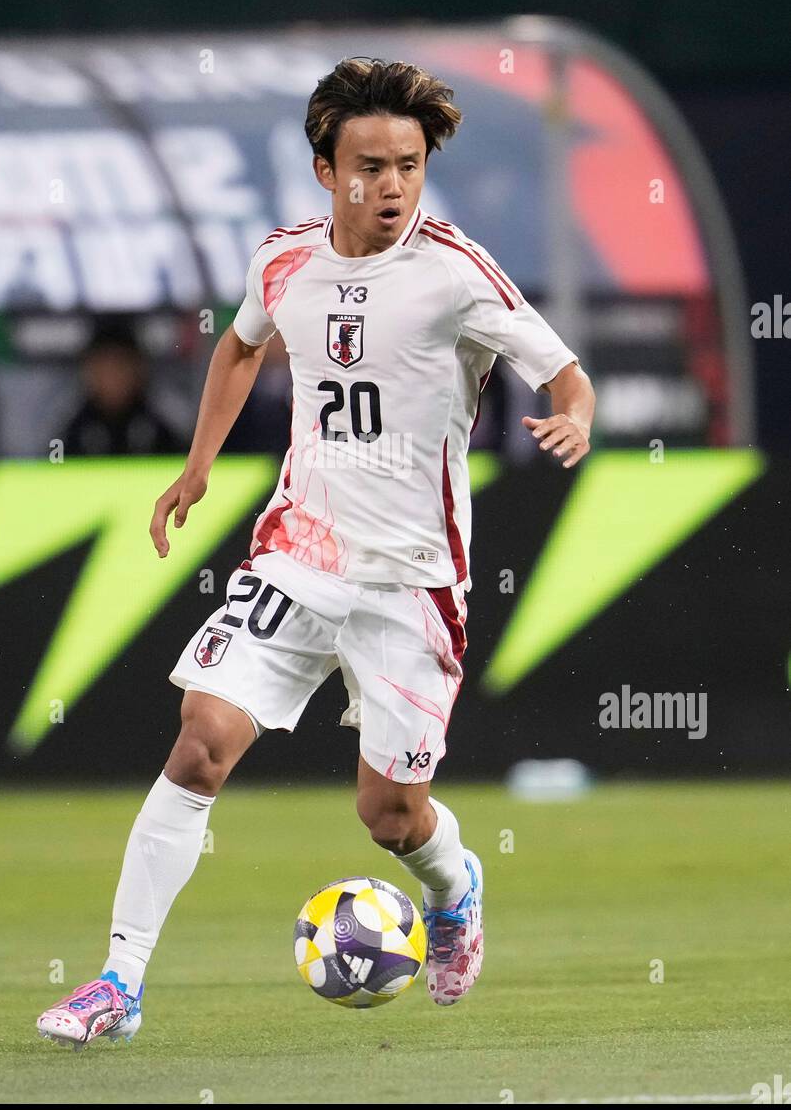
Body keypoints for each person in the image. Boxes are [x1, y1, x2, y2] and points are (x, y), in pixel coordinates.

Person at [37, 57, 594, 1047]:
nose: (390, 187)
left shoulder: (453, 273)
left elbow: (562, 371)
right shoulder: (283, 261)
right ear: (322, 167)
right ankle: (117, 983)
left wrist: (575, 416)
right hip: (295, 556)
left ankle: (454, 886)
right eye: (369, 166)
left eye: (409, 166)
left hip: (410, 585)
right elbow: (242, 345)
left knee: (386, 814)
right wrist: (199, 464)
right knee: (201, 737)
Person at [61, 317, 184, 456]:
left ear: (138, 369)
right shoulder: (73, 434)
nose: (113, 377)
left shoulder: (161, 432)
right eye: (104, 368)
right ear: (89, 371)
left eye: (120, 366)